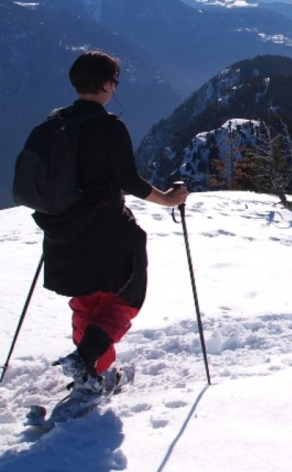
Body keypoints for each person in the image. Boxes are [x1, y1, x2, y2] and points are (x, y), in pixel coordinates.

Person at [32, 51, 188, 393]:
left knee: (85, 300)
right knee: (124, 296)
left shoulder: (54, 122)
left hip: (60, 229)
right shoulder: (109, 126)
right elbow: (129, 181)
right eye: (114, 82)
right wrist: (167, 199)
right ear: (105, 85)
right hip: (107, 230)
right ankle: (87, 358)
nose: (114, 88)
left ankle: (94, 371)